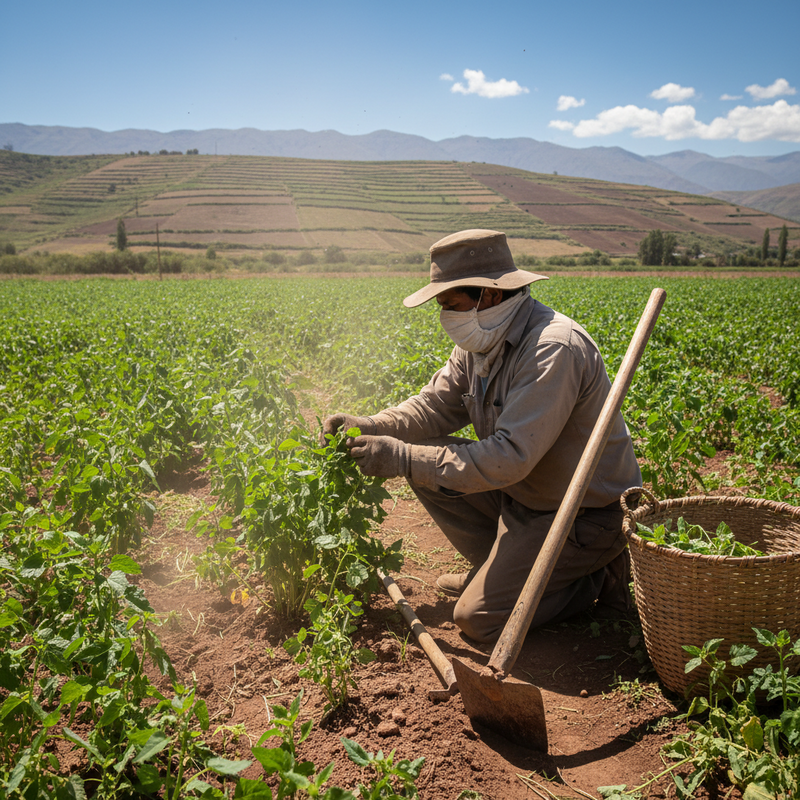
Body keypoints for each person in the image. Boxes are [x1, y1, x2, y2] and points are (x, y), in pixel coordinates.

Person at [322, 229, 641, 643]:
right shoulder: (481, 343)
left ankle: (591, 580)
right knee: (427, 458)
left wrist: (401, 458)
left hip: (581, 515)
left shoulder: (552, 348)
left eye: (451, 305)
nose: (445, 317)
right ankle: (500, 568)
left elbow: (509, 457)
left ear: (488, 296)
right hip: (525, 496)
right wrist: (369, 425)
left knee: (477, 619)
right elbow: (434, 407)